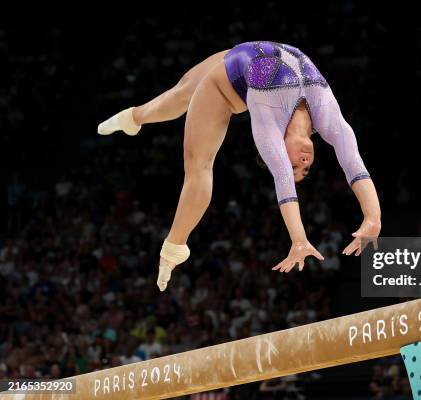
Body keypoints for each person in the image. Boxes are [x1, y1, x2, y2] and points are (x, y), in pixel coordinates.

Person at [98, 41, 381, 291]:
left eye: (298, 167)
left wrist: (299, 239)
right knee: (180, 92)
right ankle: (133, 118)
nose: (303, 165)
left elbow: (282, 178)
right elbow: (352, 161)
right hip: (239, 54)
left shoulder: (269, 126)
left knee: (198, 166)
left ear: (279, 152)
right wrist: (373, 217)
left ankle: (174, 246)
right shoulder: (326, 117)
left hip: (222, 88)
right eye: (305, 169)